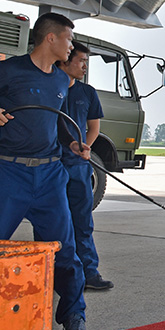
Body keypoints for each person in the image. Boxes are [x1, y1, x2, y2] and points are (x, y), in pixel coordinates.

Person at [0, 12, 92, 330]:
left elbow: (53, 123)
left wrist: (71, 142)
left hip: (49, 175)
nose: (72, 47)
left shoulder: (62, 81)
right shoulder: (7, 70)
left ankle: (74, 316)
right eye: (70, 40)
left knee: (65, 251)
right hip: (9, 174)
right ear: (51, 39)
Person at [58, 41, 113, 291]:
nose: (84, 67)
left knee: (82, 220)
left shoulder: (87, 92)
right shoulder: (47, 87)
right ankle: (54, 273)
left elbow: (94, 127)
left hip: (78, 165)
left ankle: (89, 272)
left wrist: (84, 148)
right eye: (81, 61)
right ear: (64, 60)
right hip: (50, 164)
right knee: (52, 221)